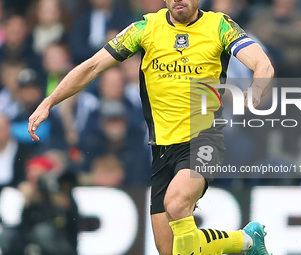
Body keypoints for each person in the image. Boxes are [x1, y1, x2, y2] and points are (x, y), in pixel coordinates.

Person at [28, 0, 274, 254]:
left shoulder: (219, 26)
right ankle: (245, 241)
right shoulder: (145, 29)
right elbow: (92, 66)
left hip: (204, 139)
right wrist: (49, 101)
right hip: (161, 148)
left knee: (176, 203)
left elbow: (262, 63)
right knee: (169, 249)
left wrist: (257, 88)